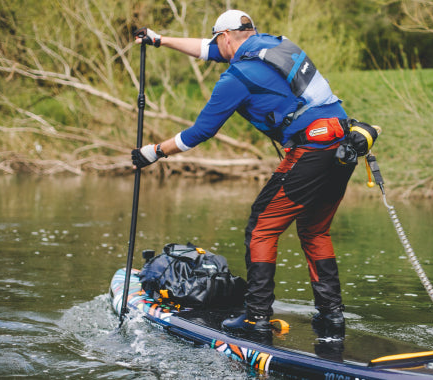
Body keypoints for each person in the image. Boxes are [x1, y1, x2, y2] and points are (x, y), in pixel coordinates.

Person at [132, 9, 361, 338]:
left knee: (261, 229)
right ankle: (331, 317)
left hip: (311, 150)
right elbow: (208, 49)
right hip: (345, 145)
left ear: (226, 37)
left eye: (217, 41)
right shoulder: (273, 45)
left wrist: (153, 152)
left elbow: (199, 132)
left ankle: (256, 318)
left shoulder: (236, 78)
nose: (214, 50)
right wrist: (160, 40)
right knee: (314, 231)